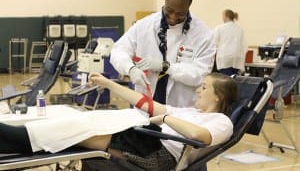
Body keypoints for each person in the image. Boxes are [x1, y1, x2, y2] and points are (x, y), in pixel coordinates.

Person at [0, 72, 236, 170]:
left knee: (78, 130)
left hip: (158, 151)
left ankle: (12, 136)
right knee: (81, 123)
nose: (198, 91)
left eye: (204, 87)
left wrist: (165, 118)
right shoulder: (189, 111)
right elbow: (147, 104)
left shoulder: (222, 121)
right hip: (146, 136)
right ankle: (11, 138)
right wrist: (108, 83)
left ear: (218, 96)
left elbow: (200, 137)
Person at [110, 0, 215, 107]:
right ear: (165, 0)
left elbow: (200, 74)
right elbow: (118, 51)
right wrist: (130, 69)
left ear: (188, 7)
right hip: (146, 103)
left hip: (181, 108)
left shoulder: (203, 34)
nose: (173, 18)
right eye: (169, 10)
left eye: (180, 14)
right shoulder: (144, 25)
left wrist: (167, 67)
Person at [214, 9, 247, 76]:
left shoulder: (220, 28)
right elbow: (245, 46)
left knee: (226, 81)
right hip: (237, 59)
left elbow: (214, 42)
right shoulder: (240, 29)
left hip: (225, 58)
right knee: (235, 80)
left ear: (226, 16)